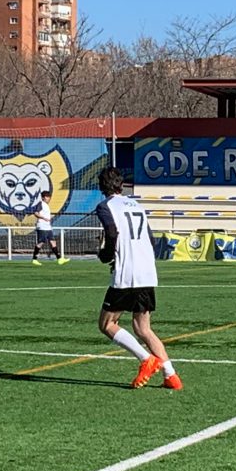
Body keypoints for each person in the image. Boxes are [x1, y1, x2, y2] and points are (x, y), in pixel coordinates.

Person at [95, 167, 181, 390]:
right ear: (121, 186)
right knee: (143, 328)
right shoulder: (137, 205)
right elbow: (149, 238)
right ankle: (171, 375)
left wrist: (106, 255)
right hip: (147, 271)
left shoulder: (106, 206)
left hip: (128, 274)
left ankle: (146, 359)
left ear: (101, 188)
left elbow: (112, 233)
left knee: (107, 323)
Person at [32, 190, 69, 266]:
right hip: (42, 227)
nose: (49, 198)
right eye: (47, 197)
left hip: (48, 227)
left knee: (53, 242)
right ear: (43, 197)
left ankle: (59, 259)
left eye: (49, 197)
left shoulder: (46, 205)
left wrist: (48, 218)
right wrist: (44, 218)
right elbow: (36, 213)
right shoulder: (41, 204)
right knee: (41, 243)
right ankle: (34, 259)